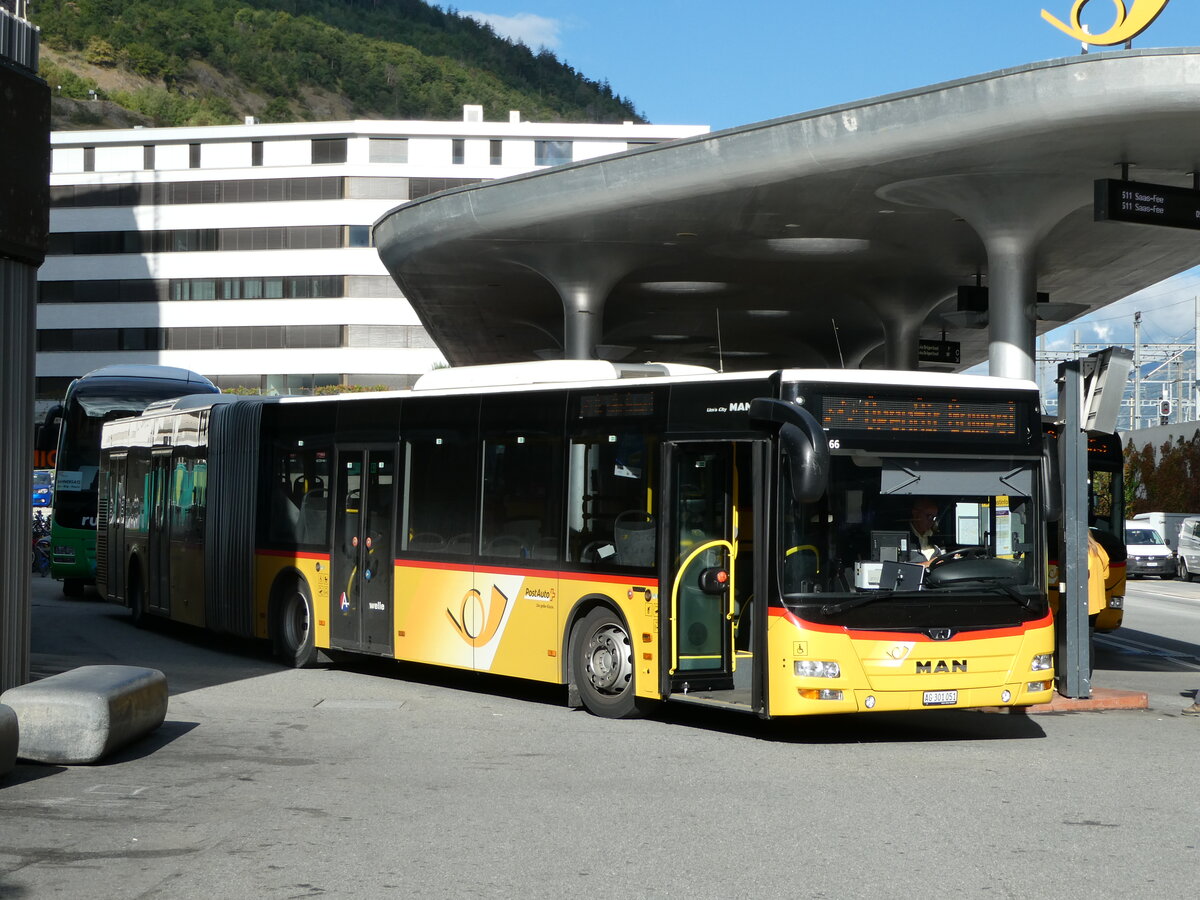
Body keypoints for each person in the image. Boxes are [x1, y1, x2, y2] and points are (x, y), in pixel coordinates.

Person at [908, 497, 942, 561]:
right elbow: (899, 566)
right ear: (915, 513)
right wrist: (928, 565)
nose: (932, 521)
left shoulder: (937, 537)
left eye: (934, 518)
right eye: (929, 516)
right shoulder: (903, 537)